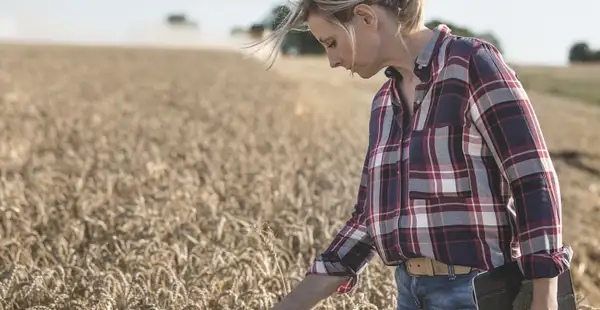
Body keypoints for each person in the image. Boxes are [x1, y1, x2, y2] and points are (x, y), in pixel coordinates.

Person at [254, 0, 574, 309]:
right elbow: (367, 219)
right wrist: (293, 303)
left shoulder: (470, 64)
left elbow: (533, 178)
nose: (332, 60)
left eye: (331, 42)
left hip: (476, 293)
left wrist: (544, 297)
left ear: (366, 17)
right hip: (409, 292)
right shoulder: (383, 104)